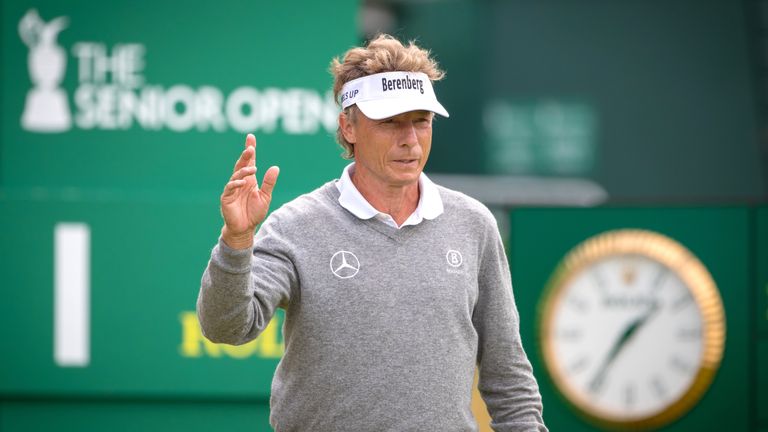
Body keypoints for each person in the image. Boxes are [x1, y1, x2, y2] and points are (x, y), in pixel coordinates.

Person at [197, 34, 547, 432]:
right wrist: (237, 242)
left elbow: (508, 372)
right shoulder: (295, 225)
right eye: (390, 123)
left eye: (421, 121)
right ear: (349, 126)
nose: (410, 140)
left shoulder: (473, 223)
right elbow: (227, 327)